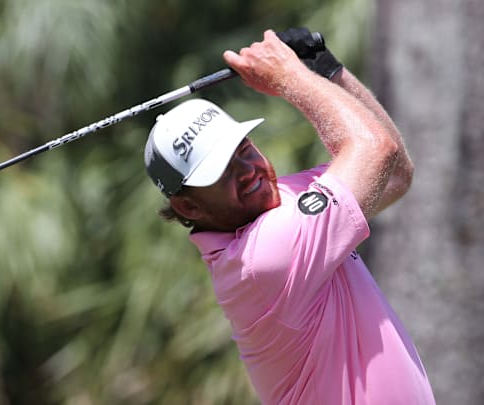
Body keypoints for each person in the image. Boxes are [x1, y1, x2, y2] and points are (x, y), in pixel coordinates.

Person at [143, 28, 436, 404]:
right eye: (220, 171)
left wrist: (325, 70)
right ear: (188, 207)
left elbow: (394, 174)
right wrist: (289, 77)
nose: (247, 169)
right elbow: (375, 150)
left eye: (243, 149)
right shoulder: (260, 259)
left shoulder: (287, 200)